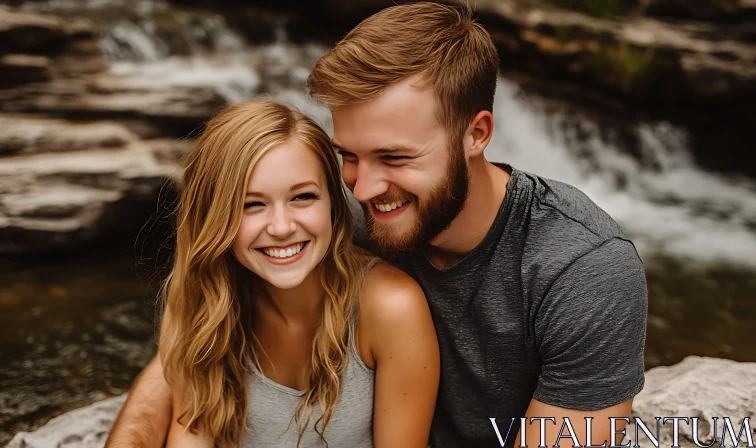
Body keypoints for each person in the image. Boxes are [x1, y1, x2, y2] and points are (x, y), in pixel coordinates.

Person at [106, 3, 647, 448]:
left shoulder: (584, 269)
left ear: (477, 133)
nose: (362, 190)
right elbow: (196, 338)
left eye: (394, 157)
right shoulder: (328, 210)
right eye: (350, 156)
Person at [145, 99, 439, 448]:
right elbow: (191, 438)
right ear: (214, 216)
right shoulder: (199, 303)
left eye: (302, 197)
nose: (282, 227)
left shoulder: (391, 307)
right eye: (251, 204)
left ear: (332, 202)